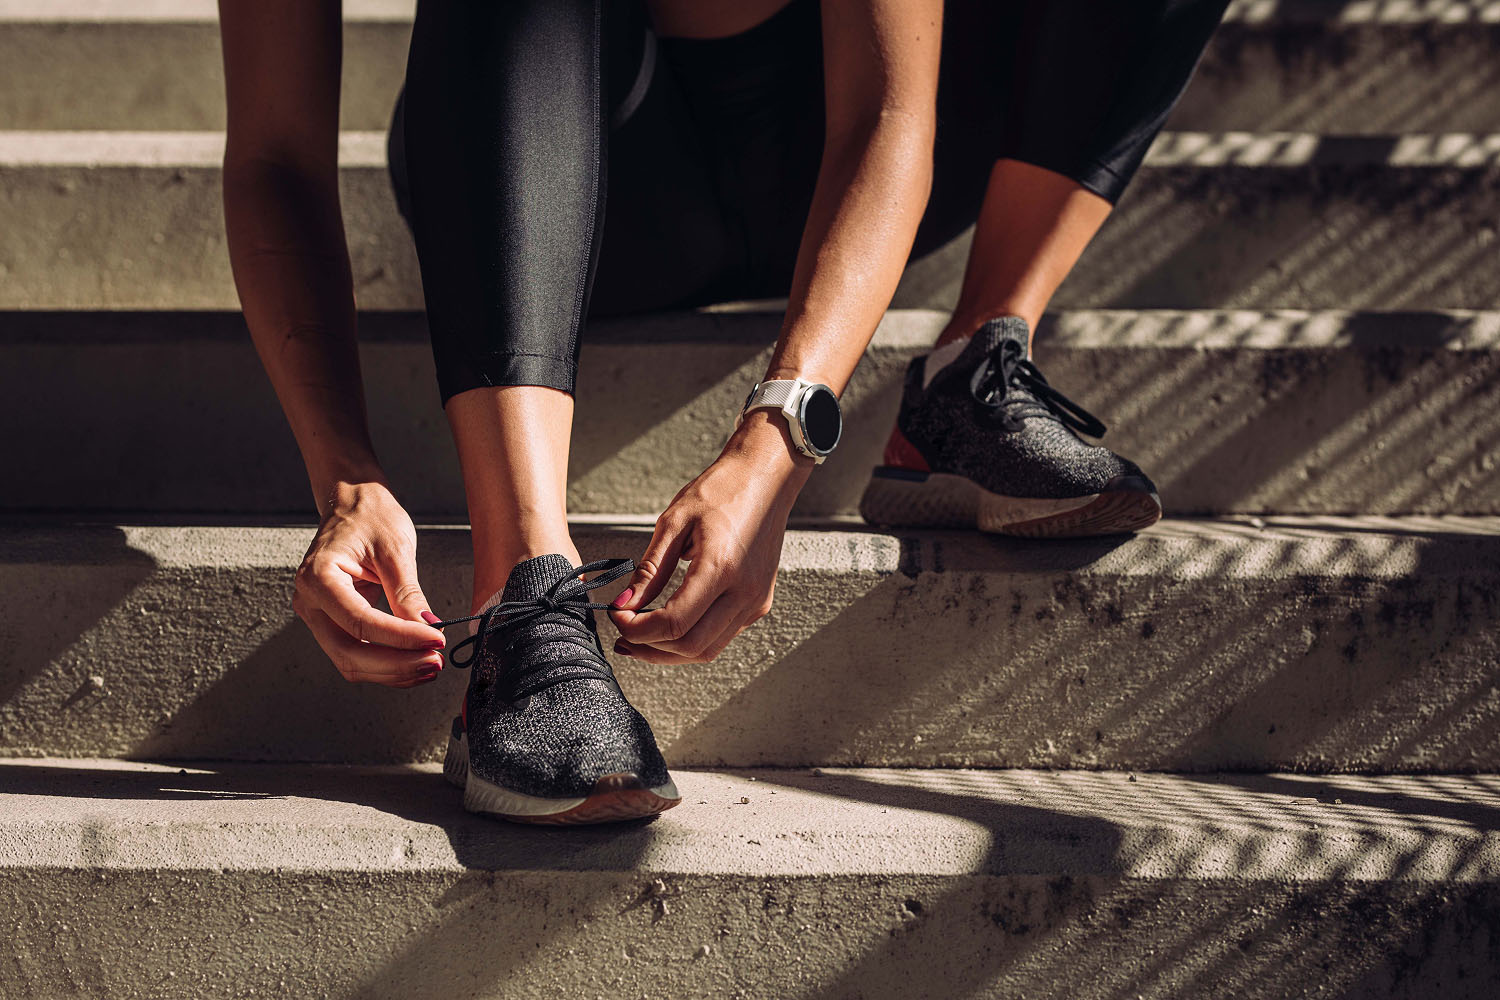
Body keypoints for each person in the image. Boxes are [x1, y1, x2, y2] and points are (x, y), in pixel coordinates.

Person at [218, 0, 1228, 824]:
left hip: (836, 145)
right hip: (559, 163)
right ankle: (527, 589)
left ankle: (979, 357)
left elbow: (889, 112)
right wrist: (346, 477)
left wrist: (778, 441)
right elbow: (275, 154)